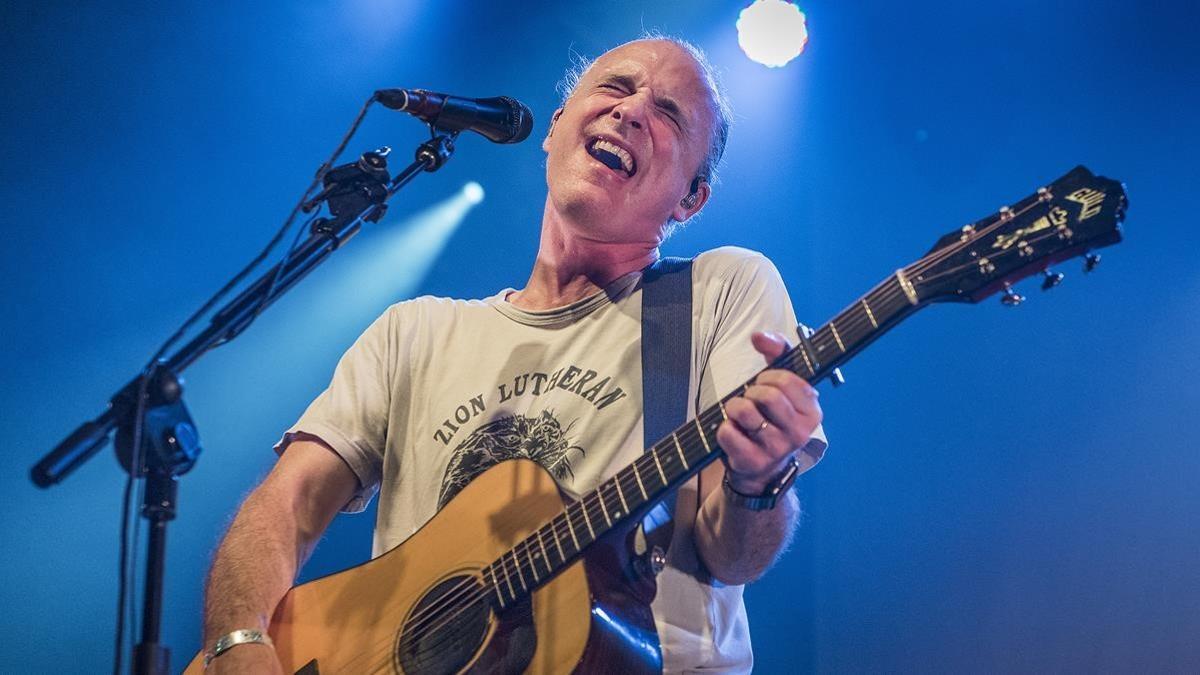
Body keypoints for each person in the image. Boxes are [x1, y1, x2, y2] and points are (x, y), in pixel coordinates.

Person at [202, 36, 827, 673]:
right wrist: (238, 642)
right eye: (615, 87)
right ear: (554, 130)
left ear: (691, 198)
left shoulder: (719, 293)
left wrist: (759, 484)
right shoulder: (414, 332)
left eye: (668, 113)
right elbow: (287, 504)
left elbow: (735, 558)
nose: (632, 111)